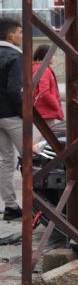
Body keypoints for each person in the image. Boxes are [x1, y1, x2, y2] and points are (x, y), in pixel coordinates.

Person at [0, 18, 23, 220]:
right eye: (20, 32)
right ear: (11, 35)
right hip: (12, 115)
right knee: (33, 159)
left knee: (5, 161)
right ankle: (41, 204)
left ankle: (11, 207)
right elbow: (15, 90)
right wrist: (24, 113)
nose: (22, 36)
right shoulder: (15, 56)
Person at [32, 45, 64, 146]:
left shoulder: (36, 67)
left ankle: (32, 155)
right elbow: (44, 92)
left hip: (41, 109)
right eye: (53, 55)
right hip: (45, 110)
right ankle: (32, 156)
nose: (54, 57)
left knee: (46, 137)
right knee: (49, 138)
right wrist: (56, 106)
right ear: (46, 55)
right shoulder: (44, 70)